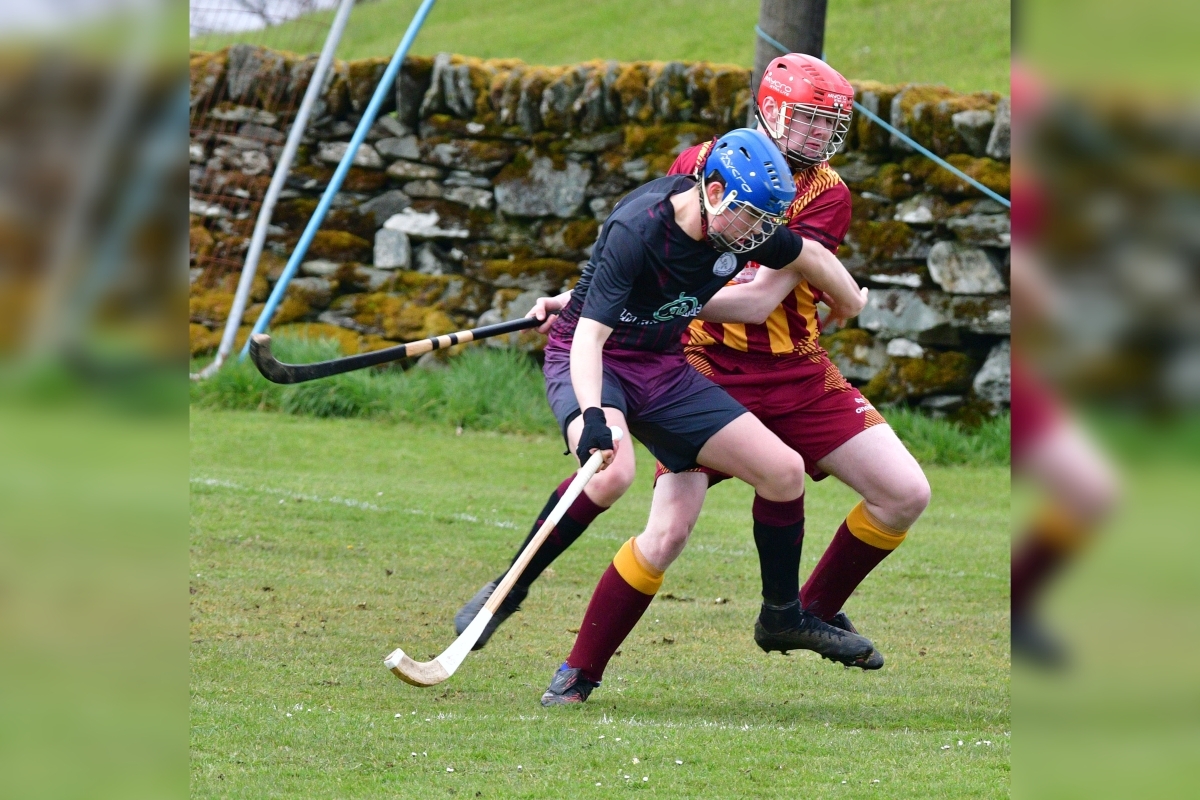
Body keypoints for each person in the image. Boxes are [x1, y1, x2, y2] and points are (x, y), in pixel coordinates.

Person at [459, 55, 927, 673]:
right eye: (809, 120)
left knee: (904, 493)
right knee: (666, 529)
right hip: (699, 363)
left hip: (795, 367)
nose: (820, 135)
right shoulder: (702, 162)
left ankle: (799, 613)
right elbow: (646, 255)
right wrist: (594, 300)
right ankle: (576, 671)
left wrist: (847, 298)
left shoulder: (826, 193)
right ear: (771, 111)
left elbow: (758, 301)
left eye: (829, 123)